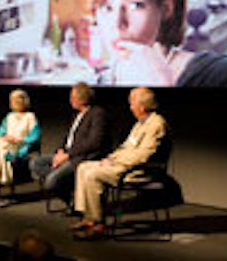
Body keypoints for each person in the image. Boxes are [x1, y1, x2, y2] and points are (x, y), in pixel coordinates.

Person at [88, 0, 227, 87]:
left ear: (166, 8)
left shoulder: (220, 75)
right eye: (107, 8)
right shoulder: (97, 83)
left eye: (136, 5)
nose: (118, 23)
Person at [71, 86, 168, 240]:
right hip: (122, 166)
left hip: (139, 171)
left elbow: (144, 155)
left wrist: (116, 163)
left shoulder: (156, 124)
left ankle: (98, 224)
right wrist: (111, 158)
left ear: (142, 106)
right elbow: (126, 147)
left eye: (132, 104)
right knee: (84, 167)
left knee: (93, 174)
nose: (130, 107)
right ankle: (88, 217)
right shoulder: (140, 124)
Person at [29, 81, 109, 210]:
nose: (70, 100)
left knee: (51, 182)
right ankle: (72, 195)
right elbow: (69, 137)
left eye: (73, 97)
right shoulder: (77, 115)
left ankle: (70, 193)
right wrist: (60, 150)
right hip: (68, 154)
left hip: (82, 157)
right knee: (36, 163)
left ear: (82, 99)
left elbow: (94, 142)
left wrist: (67, 155)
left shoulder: (97, 114)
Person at [0, 88, 41, 205]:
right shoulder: (9, 117)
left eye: (17, 101)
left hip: (20, 146)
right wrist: (4, 138)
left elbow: (34, 137)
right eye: (12, 101)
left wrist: (18, 139)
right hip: (5, 145)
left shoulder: (30, 117)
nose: (14, 103)